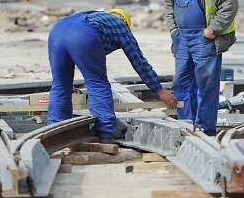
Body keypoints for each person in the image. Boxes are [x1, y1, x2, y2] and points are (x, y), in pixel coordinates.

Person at [47, 9, 178, 142]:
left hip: (57, 31)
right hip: (83, 34)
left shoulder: (96, 18)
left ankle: (54, 131)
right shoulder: (121, 26)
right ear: (126, 22)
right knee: (97, 82)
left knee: (60, 84)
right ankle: (103, 134)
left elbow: (67, 53)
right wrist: (158, 89)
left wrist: (67, 82)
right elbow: (138, 61)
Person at [164, 0, 239, 136]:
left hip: (205, 38)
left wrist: (211, 30)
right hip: (181, 38)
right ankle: (186, 127)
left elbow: (229, 7)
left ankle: (205, 130)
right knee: (181, 85)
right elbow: (168, 3)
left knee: (206, 87)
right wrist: (173, 30)